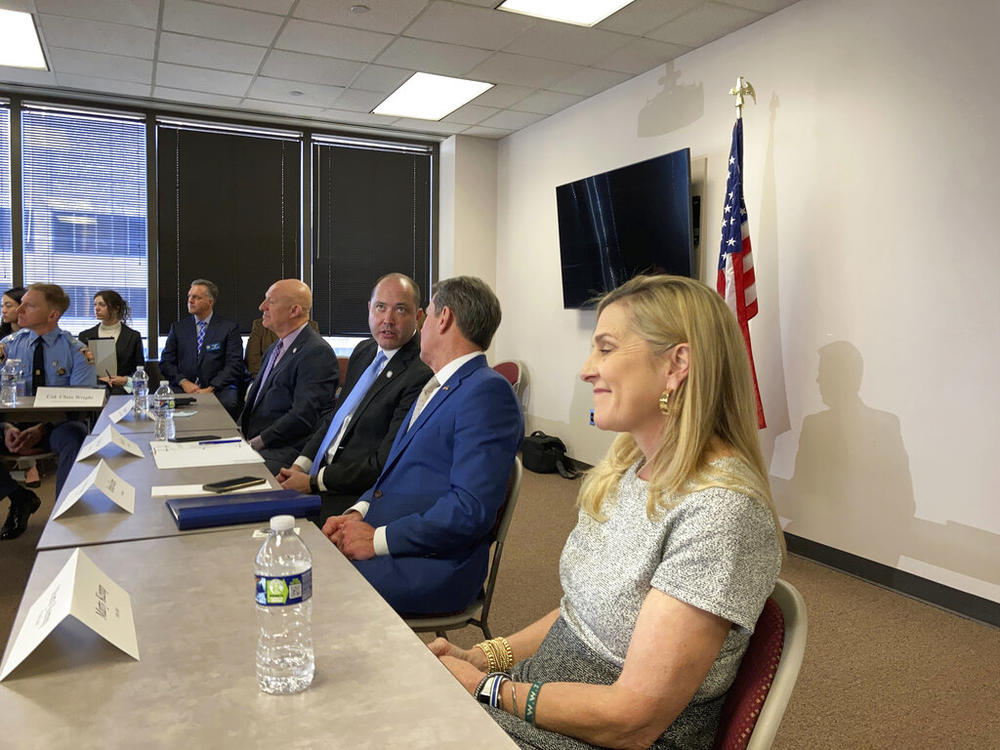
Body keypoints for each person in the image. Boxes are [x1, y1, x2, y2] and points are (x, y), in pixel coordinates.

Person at [428, 275, 784, 750]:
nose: (586, 369)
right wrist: (484, 658)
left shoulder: (720, 511)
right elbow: (582, 617)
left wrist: (485, 689)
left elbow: (632, 719)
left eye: (606, 348)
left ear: (677, 363)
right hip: (539, 698)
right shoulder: (628, 468)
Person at [322, 276, 523, 615]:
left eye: (426, 314)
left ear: (443, 318)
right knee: (299, 565)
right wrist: (358, 512)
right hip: (398, 537)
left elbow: (468, 509)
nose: (422, 323)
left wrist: (378, 539)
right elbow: (394, 474)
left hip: (432, 564)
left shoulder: (487, 393)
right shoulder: (439, 386)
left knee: (310, 582)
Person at [277, 273, 433, 520]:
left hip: (355, 495)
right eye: (380, 308)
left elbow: (384, 462)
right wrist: (301, 464)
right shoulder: (364, 351)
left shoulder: (421, 373)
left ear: (418, 316)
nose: (388, 320)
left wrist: (314, 482)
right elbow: (336, 418)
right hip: (318, 472)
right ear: (369, 309)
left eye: (400, 310)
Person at [0, 283, 95, 538]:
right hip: (10, 427)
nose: (19, 309)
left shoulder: (76, 351)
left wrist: (41, 429)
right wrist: (6, 426)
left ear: (52, 314)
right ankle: (18, 496)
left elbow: (82, 405)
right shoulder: (6, 347)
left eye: (29, 305)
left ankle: (65, 518)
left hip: (55, 427)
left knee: (75, 437)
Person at [238, 280, 339, 473]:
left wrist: (255, 444)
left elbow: (302, 417)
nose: (262, 307)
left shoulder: (316, 352)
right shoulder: (274, 349)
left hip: (284, 451)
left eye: (271, 301)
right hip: (256, 443)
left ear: (294, 311)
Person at [158, 279, 243, 416]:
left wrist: (211, 388)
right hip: (183, 387)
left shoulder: (228, 328)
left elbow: (234, 364)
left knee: (229, 403)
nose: (190, 301)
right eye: (189, 296)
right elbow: (166, 362)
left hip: (219, 388)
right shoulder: (178, 328)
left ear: (210, 302)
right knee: (163, 402)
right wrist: (183, 382)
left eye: (196, 297)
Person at [77, 289, 145, 394]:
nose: (96, 308)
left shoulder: (133, 336)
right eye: (95, 304)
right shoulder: (85, 335)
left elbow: (139, 369)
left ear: (116, 308)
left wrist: (126, 380)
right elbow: (80, 368)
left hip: (122, 390)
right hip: (92, 390)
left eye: (102, 305)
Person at [245, 316, 320, 377]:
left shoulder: (310, 327)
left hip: (300, 380)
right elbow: (252, 359)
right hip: (266, 378)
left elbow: (314, 360)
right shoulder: (261, 325)